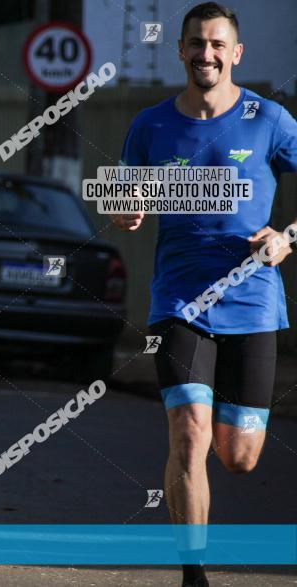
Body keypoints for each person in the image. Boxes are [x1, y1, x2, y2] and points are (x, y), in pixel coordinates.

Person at [115, 4, 297, 586]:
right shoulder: (149, 125)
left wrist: (286, 236)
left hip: (253, 300)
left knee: (239, 457)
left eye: (218, 44)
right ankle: (193, 573)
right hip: (179, 303)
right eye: (196, 43)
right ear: (181, 51)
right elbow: (125, 198)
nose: (207, 54)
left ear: (236, 53)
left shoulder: (269, 119)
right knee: (187, 434)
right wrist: (126, 210)